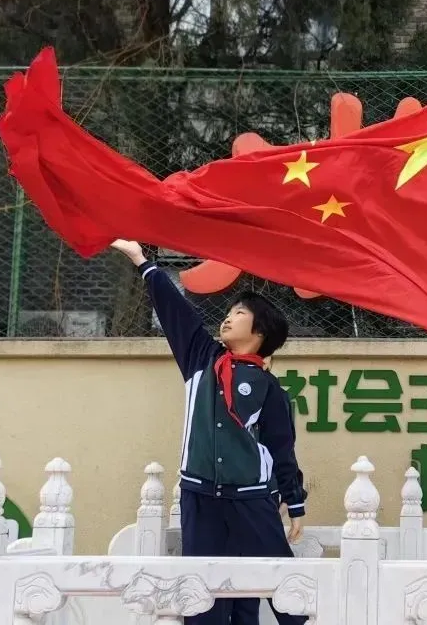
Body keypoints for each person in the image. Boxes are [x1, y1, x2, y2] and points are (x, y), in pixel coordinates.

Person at [112, 239, 307, 625]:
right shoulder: (201, 359)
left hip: (252, 499)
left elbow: (281, 449)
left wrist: (295, 502)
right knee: (202, 596)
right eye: (229, 312)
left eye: (239, 313)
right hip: (199, 496)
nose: (228, 318)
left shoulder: (269, 388)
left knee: (282, 589)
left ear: (260, 331)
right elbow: (176, 312)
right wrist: (141, 261)